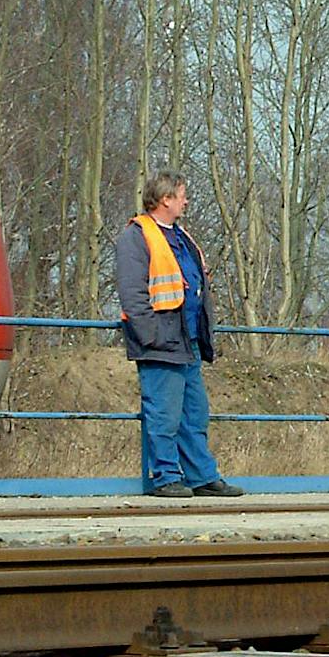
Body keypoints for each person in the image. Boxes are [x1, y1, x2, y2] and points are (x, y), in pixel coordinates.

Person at [115, 171, 242, 499]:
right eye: (182, 195)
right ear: (165, 199)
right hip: (161, 344)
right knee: (164, 414)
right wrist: (152, 336)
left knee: (194, 414)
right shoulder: (136, 236)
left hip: (187, 342)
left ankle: (202, 476)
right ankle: (165, 476)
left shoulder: (182, 237)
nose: (186, 200)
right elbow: (132, 293)